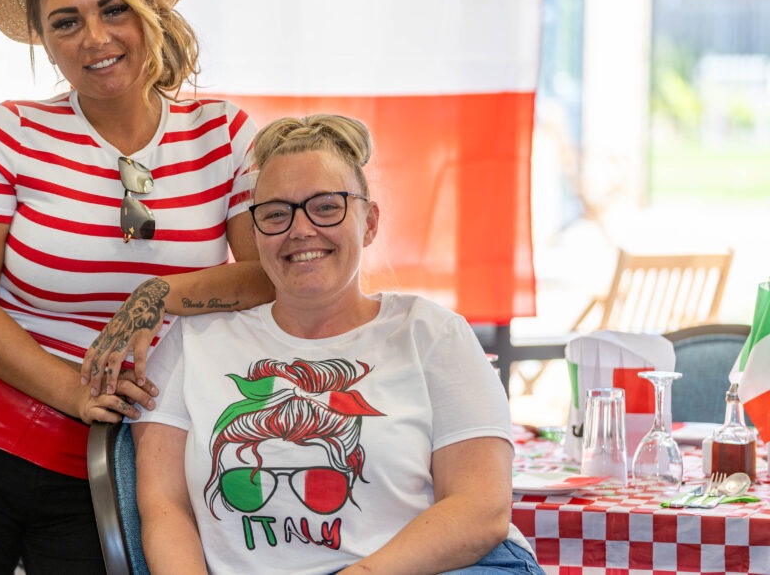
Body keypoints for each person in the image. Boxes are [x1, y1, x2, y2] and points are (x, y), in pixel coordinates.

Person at [0, 0, 272, 574]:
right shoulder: (6, 135)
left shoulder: (223, 133)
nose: (95, 37)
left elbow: (265, 275)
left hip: (118, 458)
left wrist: (156, 294)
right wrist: (73, 390)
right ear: (44, 40)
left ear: (151, 12)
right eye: (66, 22)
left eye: (114, 9)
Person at [131, 114, 544, 574]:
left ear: (369, 223)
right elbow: (164, 508)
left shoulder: (432, 332)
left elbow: (480, 509)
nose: (301, 229)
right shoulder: (193, 341)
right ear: (256, 235)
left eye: (326, 207)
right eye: (275, 214)